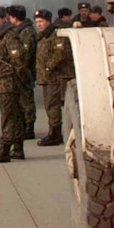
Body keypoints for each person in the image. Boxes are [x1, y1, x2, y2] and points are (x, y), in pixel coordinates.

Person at [0, 7, 27, 163]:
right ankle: (18, 149)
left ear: (4, 19)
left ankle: (5, 150)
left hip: (7, 83)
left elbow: (19, 58)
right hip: (1, 83)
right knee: (14, 116)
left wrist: (15, 75)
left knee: (8, 117)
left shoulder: (8, 36)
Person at [36, 8, 76, 146]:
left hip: (56, 76)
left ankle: (55, 133)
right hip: (47, 77)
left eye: (41, 21)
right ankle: (54, 130)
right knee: (49, 105)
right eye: (37, 22)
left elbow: (60, 53)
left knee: (53, 105)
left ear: (48, 21)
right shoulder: (42, 36)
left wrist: (49, 67)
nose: (38, 24)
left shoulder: (56, 34)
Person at [7, 5, 37, 139]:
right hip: (18, 71)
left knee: (27, 101)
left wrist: (21, 68)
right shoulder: (17, 30)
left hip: (25, 71)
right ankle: (23, 126)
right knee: (20, 101)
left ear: (15, 17)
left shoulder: (27, 32)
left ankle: (29, 127)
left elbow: (26, 54)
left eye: (10, 16)